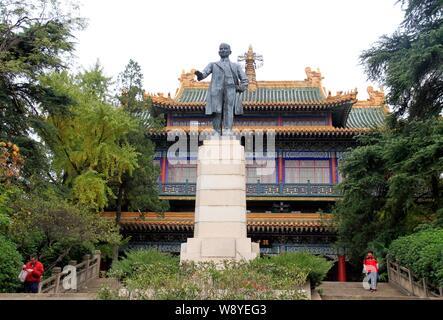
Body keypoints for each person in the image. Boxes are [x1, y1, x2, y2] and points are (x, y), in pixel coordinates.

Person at [194, 43, 249, 136]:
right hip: (216, 90)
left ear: (230, 52)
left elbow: (245, 80)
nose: (223, 50)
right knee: (217, 110)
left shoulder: (236, 66)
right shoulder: (213, 64)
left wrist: (239, 88)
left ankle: (228, 129)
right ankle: (216, 131)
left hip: (231, 89)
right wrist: (199, 74)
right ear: (218, 52)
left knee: (229, 110)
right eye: (221, 49)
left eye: (225, 49)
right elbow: (204, 74)